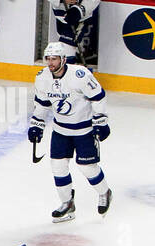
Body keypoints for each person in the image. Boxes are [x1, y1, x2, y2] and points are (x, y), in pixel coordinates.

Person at [28, 42, 112, 222]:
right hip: (60, 130)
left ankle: (104, 192)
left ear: (63, 59)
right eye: (48, 59)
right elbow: (42, 104)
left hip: (84, 130)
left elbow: (98, 97)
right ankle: (67, 203)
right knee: (58, 166)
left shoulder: (80, 75)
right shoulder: (42, 77)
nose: (50, 63)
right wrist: (37, 124)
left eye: (54, 59)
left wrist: (101, 122)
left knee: (87, 167)